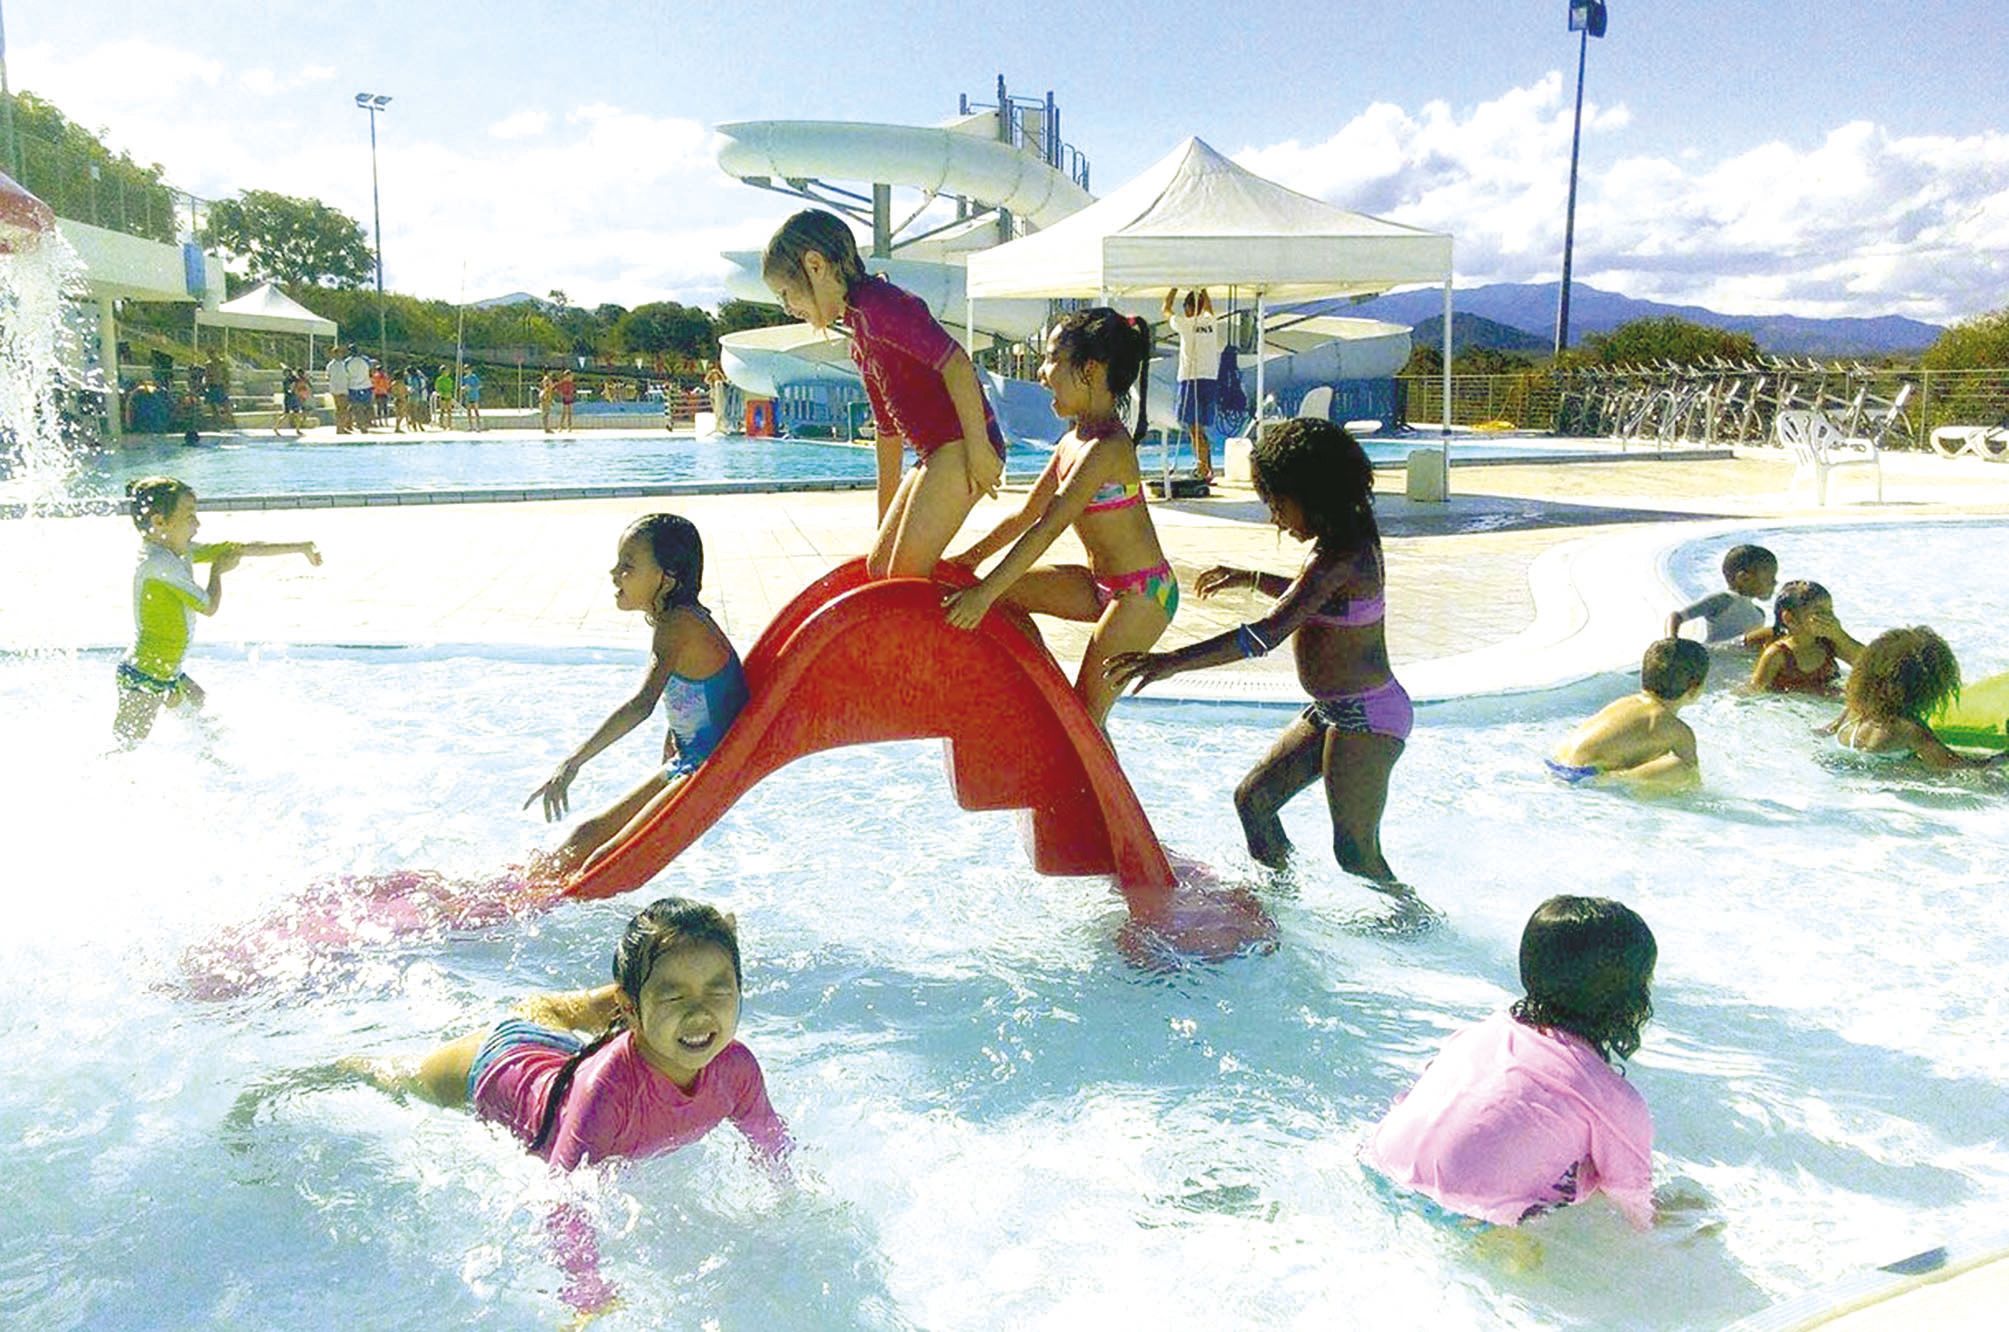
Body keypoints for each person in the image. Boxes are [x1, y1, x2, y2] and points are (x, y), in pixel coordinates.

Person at [1106, 419, 1412, 888]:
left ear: (1311, 492)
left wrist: (1170, 662)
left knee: (1354, 853)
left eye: (1276, 504)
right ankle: (1283, 902)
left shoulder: (1343, 556)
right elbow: (1311, 600)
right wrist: (1250, 577)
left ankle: (1415, 922)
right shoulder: (1339, 546)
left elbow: (1267, 634)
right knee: (1254, 800)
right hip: (1332, 711)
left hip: (1367, 716)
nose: (1273, 517)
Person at [344, 895, 789, 1169]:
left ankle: (636, 994)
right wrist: (586, 1297)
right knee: (396, 1079)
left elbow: (772, 1142)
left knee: (563, 1010)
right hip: (502, 1067)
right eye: (675, 997)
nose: (700, 1014)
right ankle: (339, 1067)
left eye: (719, 990)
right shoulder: (607, 1089)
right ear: (631, 1011)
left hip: (564, 1054)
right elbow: (563, 1199)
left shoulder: (737, 1068)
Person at [1362, 895, 1657, 1231]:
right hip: (1468, 1215)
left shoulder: (1481, 1033)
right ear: (1632, 1001)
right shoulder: (1613, 1100)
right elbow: (1634, 1204)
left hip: (1379, 1165)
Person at [944, 309, 1176, 727]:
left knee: (1086, 718)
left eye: (1051, 359)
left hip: (1143, 596)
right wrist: (967, 563)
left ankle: (1106, 792)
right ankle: (1042, 687)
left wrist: (982, 594)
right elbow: (1025, 515)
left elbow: (1048, 526)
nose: (1041, 373)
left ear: (1089, 370)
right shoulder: (1073, 440)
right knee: (1004, 596)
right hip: (1099, 586)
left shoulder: (1107, 448)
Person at [762, 207, 1005, 577]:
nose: (788, 308)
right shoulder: (860, 331)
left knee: (904, 576)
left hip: (962, 446)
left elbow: (956, 363)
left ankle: (945, 630)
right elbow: (887, 432)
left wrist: (979, 449)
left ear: (815, 265)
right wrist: (885, 527)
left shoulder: (881, 305)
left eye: (785, 294)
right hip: (938, 453)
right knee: (879, 569)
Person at [526, 514, 748, 877]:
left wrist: (572, 762)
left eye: (627, 566)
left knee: (605, 861)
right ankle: (521, 888)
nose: (614, 574)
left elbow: (641, 704)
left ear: (667, 576)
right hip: (691, 759)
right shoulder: (678, 620)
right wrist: (675, 735)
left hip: (706, 770)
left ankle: (517, 908)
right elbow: (698, 687)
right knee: (586, 836)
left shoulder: (677, 625)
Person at [113, 476, 321, 746]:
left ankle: (210, 767)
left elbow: (238, 548)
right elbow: (209, 606)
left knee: (198, 708)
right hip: (144, 677)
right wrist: (217, 572)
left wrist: (300, 547)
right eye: (189, 516)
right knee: (125, 748)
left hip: (166, 671)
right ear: (159, 522)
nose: (197, 524)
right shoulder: (159, 565)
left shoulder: (179, 552)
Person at [1825, 626, 2008, 771]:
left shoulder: (1857, 709)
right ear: (1927, 688)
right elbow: (1953, 765)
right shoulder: (1910, 729)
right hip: (1879, 778)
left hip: (1838, 760)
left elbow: (1828, 730)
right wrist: (2000, 758)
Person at [1547, 638, 1707, 788]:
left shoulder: (1626, 703)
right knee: (1684, 768)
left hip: (1558, 764)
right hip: (1586, 778)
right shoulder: (1677, 730)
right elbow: (1693, 783)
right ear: (1694, 687)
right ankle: (1616, 779)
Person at [1749, 580, 1863, 695]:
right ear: (1790, 619)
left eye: (1830, 611)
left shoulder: (1828, 644)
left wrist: (1840, 635)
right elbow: (1755, 691)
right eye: (1819, 611)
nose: (1829, 617)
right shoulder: (1777, 654)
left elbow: (1869, 663)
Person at [1666, 544, 1776, 645]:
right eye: (1769, 578)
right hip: (1714, 662)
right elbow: (1676, 617)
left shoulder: (1760, 614)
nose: (1775, 582)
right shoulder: (1723, 601)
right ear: (1744, 578)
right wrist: (1671, 642)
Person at [1163, 288, 1221, 482]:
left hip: (1191, 380)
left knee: (1193, 428)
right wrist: (1203, 290)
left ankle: (1203, 469)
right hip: (1210, 379)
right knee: (1200, 428)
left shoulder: (1185, 324)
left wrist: (1174, 287)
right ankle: (1207, 467)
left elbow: (1166, 308)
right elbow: (1209, 307)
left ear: (1188, 308)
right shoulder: (1210, 321)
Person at [342, 345, 375, 432]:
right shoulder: (366, 359)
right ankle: (366, 423)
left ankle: (360, 424)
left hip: (353, 387)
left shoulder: (347, 361)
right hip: (366, 386)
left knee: (357, 408)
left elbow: (345, 374)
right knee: (367, 407)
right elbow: (371, 371)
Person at [325, 350, 353, 434]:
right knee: (341, 409)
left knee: (342, 409)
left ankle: (341, 427)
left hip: (340, 388)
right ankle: (340, 427)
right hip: (340, 388)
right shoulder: (341, 364)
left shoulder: (333, 365)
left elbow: (327, 376)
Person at [460, 366, 484, 431]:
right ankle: (470, 426)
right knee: (469, 411)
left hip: (474, 396)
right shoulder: (464, 378)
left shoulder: (474, 377)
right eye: (466, 370)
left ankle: (478, 426)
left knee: (476, 411)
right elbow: (462, 386)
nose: (467, 371)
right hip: (468, 396)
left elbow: (480, 385)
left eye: (468, 370)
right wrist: (464, 389)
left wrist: (472, 388)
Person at [433, 365, 457, 430]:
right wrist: (441, 392)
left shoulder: (449, 379)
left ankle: (449, 424)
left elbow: (451, 387)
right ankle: (441, 424)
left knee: (449, 410)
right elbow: (437, 388)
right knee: (442, 410)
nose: (448, 372)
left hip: (448, 396)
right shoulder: (439, 379)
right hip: (443, 396)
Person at [555, 367, 576, 431]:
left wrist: (571, 394)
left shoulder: (570, 383)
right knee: (564, 412)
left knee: (569, 413)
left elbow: (573, 390)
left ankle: (569, 426)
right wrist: (562, 395)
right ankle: (561, 426)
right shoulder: (563, 383)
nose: (570, 378)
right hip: (565, 398)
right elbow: (557, 389)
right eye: (569, 376)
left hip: (569, 398)